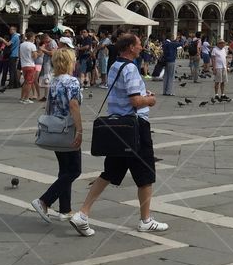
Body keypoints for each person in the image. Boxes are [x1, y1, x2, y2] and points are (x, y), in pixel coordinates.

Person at [69, 34, 168, 236]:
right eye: (139, 45)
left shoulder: (115, 65)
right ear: (130, 47)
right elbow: (135, 102)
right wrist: (149, 99)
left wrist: (141, 93)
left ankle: (82, 213)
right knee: (146, 174)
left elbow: (124, 94)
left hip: (118, 127)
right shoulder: (131, 68)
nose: (142, 48)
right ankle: (145, 220)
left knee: (109, 173)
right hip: (135, 127)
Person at [32, 48, 83, 224]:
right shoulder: (72, 82)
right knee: (75, 170)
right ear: (70, 62)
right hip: (68, 128)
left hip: (54, 129)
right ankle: (44, 200)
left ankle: (65, 209)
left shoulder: (54, 81)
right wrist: (80, 130)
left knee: (65, 170)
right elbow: (74, 105)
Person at [19, 31, 39, 105]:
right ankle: (26, 98)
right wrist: (37, 53)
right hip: (30, 64)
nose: (34, 38)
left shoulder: (22, 44)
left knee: (25, 82)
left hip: (24, 65)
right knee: (29, 83)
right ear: (31, 37)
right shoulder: (32, 45)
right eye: (34, 37)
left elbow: (19, 54)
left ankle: (22, 97)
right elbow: (35, 56)